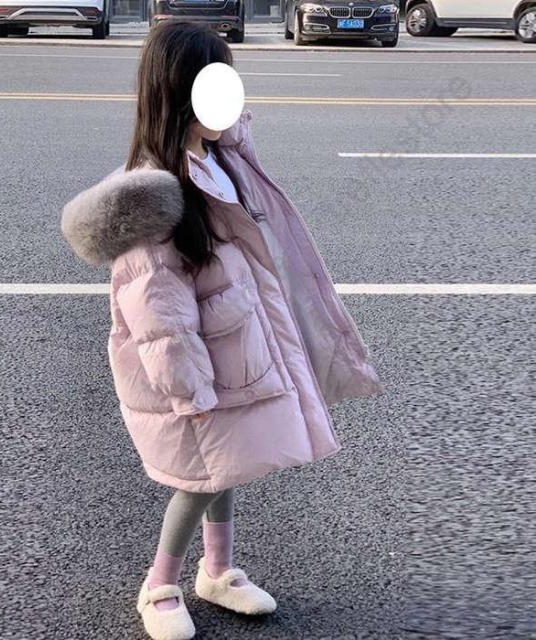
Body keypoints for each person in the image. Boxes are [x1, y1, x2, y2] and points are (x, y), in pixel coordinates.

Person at [61, 20, 384, 640]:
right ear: (181, 92)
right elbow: (159, 312)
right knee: (200, 478)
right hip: (196, 368)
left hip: (233, 348)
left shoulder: (217, 159)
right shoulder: (153, 196)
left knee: (228, 466)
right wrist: (189, 389)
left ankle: (217, 570)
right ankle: (159, 585)